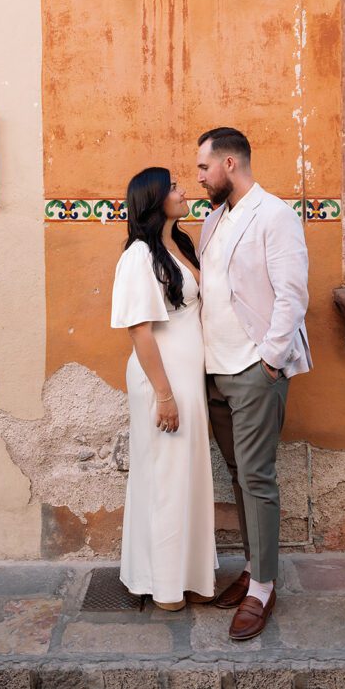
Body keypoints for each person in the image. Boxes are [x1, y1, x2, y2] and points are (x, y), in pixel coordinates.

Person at [197, 128, 311, 640]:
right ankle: (252, 565)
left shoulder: (275, 216)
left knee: (257, 477)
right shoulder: (214, 219)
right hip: (215, 372)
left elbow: (291, 295)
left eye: (204, 168)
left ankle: (263, 585)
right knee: (238, 473)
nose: (200, 177)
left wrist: (269, 361)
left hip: (253, 369)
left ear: (229, 163)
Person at [110, 167, 217, 610]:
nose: (183, 190)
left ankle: (185, 573)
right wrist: (165, 395)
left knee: (185, 475)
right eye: (174, 187)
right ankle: (163, 583)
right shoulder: (139, 256)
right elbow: (139, 330)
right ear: (154, 200)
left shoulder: (180, 244)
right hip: (163, 379)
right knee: (167, 478)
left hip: (186, 376)